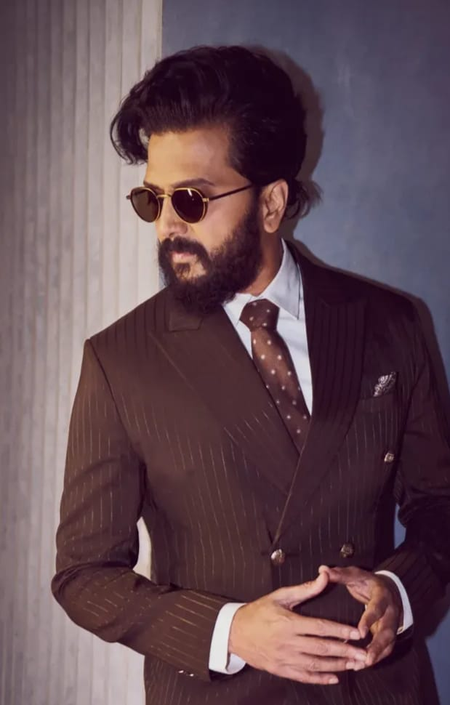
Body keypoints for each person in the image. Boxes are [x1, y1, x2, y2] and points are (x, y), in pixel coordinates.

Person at [52, 45, 450, 705]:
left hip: (378, 688)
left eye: (191, 199)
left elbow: (440, 505)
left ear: (271, 203)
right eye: (152, 199)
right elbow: (83, 574)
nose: (167, 226)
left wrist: (400, 590)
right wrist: (228, 630)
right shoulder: (121, 361)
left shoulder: (390, 324)